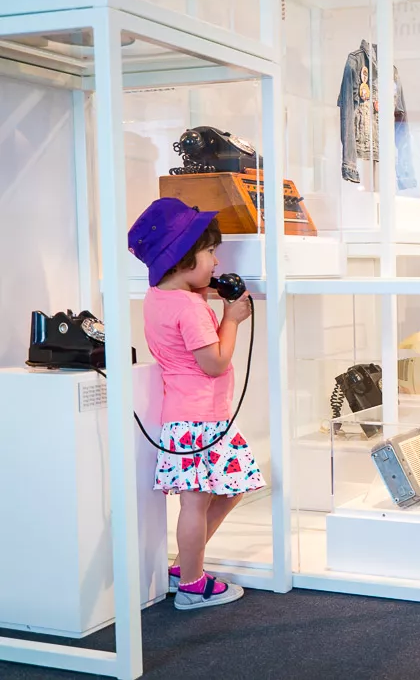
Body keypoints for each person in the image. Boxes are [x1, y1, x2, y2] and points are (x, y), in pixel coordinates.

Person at [128, 197, 264, 609]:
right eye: (209, 253)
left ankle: (188, 564)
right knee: (198, 500)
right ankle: (191, 584)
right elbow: (214, 362)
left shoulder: (159, 298)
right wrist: (231, 319)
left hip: (188, 418)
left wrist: (207, 295)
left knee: (230, 489)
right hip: (202, 419)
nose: (216, 263)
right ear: (185, 258)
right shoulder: (191, 309)